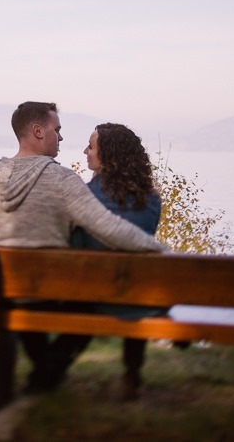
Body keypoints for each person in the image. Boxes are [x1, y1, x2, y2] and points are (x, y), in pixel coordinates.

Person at [0, 102, 165, 392]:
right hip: (49, 291)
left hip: (1, 290)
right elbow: (109, 228)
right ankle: (46, 376)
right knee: (83, 302)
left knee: (29, 300)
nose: (62, 138)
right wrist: (160, 250)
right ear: (38, 131)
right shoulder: (63, 179)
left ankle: (44, 376)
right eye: (57, 129)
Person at [70, 122, 167, 400]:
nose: (85, 151)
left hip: (89, 295)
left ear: (108, 156)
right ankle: (131, 376)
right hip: (135, 295)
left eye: (91, 146)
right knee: (134, 286)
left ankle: (48, 371)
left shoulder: (81, 196)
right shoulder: (150, 201)